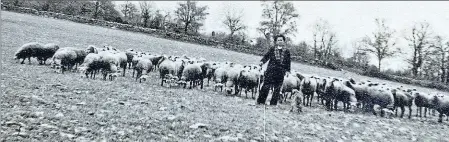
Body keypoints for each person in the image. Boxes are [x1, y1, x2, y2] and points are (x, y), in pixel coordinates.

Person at [257, 34, 291, 106]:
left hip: (280, 72)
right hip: (271, 71)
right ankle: (261, 101)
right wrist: (262, 62)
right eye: (278, 40)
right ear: (276, 41)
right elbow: (266, 56)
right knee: (266, 86)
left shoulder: (287, 51)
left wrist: (288, 70)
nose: (280, 41)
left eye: (281, 40)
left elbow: (288, 62)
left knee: (277, 88)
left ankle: (273, 103)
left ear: (284, 41)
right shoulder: (272, 49)